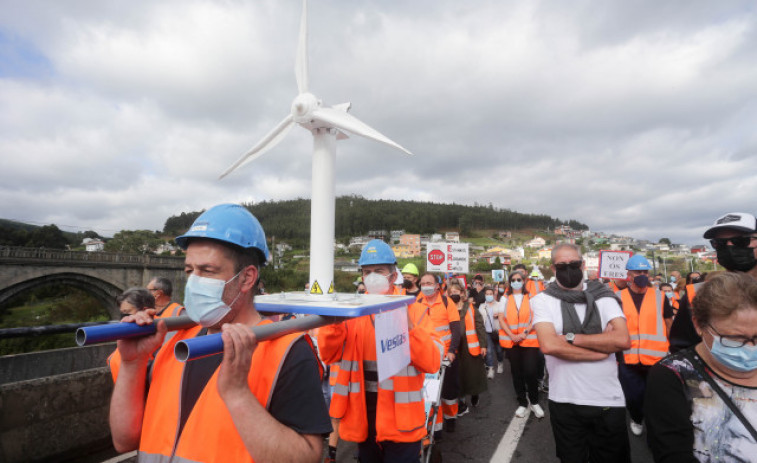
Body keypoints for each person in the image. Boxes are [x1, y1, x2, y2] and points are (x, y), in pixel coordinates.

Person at [109, 204, 331, 463]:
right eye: (190, 271)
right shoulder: (173, 340)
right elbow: (124, 441)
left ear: (247, 278)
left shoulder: (287, 351)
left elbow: (306, 458)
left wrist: (238, 394)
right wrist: (131, 364)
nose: (194, 281)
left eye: (207, 271)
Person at [318, 239, 442, 463]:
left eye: (379, 271)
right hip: (364, 417)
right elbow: (329, 355)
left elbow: (432, 362)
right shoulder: (352, 313)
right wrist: (333, 324)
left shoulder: (417, 310)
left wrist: (410, 329)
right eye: (367, 271)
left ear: (393, 276)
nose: (372, 276)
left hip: (402, 421)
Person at [532, 243, 632, 463]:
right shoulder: (542, 300)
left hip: (607, 400)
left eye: (574, 264)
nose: (569, 269)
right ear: (553, 268)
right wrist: (600, 351)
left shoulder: (604, 297)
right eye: (562, 265)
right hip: (564, 400)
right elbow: (549, 345)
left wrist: (570, 338)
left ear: (583, 264)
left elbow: (622, 339)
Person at [645, 272, 757, 462]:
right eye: (735, 338)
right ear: (699, 325)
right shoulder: (672, 376)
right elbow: (673, 454)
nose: (750, 348)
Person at [669, 212, 757, 354]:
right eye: (720, 243)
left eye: (741, 241)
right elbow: (682, 351)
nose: (729, 247)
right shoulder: (697, 295)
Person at [615, 254, 674, 437]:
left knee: (656, 397)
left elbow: (668, 322)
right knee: (633, 396)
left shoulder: (660, 296)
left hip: (656, 357)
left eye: (645, 271)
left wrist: (672, 348)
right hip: (628, 357)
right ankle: (636, 417)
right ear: (629, 274)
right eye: (637, 271)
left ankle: (654, 425)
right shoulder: (617, 297)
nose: (642, 274)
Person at [413, 272, 461, 434]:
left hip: (447, 357)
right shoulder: (417, 304)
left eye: (429, 283)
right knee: (431, 394)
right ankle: (436, 428)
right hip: (426, 358)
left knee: (449, 392)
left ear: (437, 286)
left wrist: (452, 351)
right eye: (423, 283)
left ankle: (451, 417)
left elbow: (456, 329)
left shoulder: (447, 303)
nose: (425, 286)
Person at [499, 272, 543, 418]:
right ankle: (522, 403)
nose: (516, 282)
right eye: (513, 280)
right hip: (512, 341)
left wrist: (525, 332)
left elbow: (535, 316)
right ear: (510, 282)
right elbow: (501, 319)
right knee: (516, 372)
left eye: (519, 280)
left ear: (524, 281)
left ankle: (535, 401)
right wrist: (512, 335)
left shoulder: (531, 297)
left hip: (529, 339)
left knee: (531, 371)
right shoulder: (505, 298)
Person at [448, 280, 487, 413]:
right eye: (451, 292)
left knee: (472, 374)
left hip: (470, 346)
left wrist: (483, 345)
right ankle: (462, 402)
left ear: (462, 293)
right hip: (455, 347)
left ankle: (474, 393)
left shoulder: (470, 307)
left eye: (456, 291)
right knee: (459, 375)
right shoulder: (448, 308)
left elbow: (480, 326)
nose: (454, 294)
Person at [479, 286, 504, 379]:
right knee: (488, 351)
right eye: (487, 294)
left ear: (494, 295)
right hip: (486, 332)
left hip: (497, 331)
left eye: (490, 294)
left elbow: (505, 316)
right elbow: (479, 319)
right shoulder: (482, 306)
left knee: (499, 350)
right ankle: (490, 369)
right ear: (485, 295)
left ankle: (500, 363)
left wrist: (499, 316)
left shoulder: (499, 304)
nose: (489, 296)